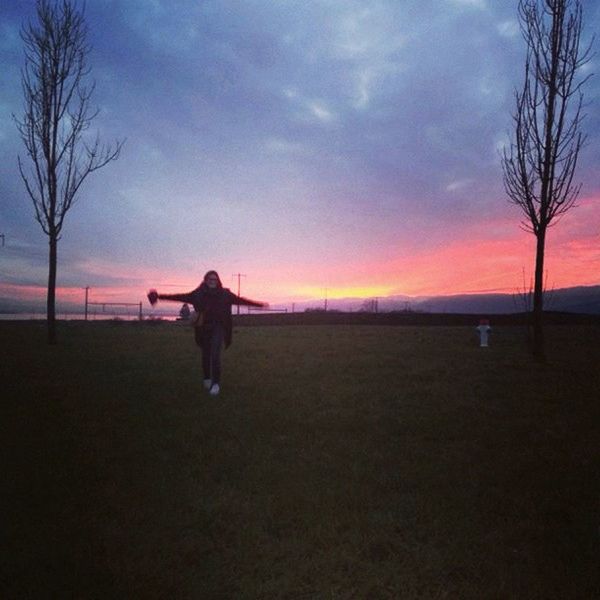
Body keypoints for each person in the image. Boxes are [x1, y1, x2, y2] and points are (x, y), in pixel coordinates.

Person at [147, 271, 267, 396]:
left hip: (219, 327)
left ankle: (216, 384)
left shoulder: (225, 294)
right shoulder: (197, 294)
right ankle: (207, 378)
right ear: (205, 280)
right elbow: (179, 296)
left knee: (215, 354)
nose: (212, 281)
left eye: (215, 279)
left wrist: (258, 305)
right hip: (203, 328)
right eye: (210, 279)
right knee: (206, 354)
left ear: (218, 280)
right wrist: (159, 296)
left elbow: (240, 300)